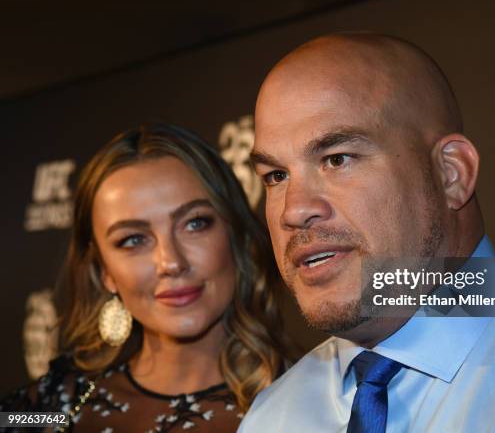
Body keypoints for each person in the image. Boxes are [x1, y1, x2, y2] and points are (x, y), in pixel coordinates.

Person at [239, 33, 495, 432]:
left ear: (452, 174)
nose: (294, 210)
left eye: (337, 159)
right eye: (276, 176)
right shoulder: (274, 416)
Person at [1, 123, 291, 432]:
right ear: (104, 271)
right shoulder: (58, 408)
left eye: (195, 223)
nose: (171, 262)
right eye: (133, 240)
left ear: (236, 235)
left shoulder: (311, 408)